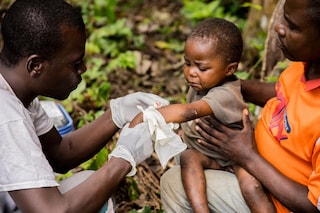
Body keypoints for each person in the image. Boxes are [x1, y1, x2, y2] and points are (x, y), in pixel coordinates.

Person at [0, 0, 170, 212]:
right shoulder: (7, 116)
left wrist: (116, 114)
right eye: (74, 63)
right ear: (36, 66)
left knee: (87, 187)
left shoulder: (17, 92)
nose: (84, 68)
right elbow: (52, 211)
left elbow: (60, 153)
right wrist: (123, 160)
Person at [160, 0, 320, 212]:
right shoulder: (307, 65)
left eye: (292, 26)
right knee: (189, 161)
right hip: (249, 165)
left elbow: (313, 206)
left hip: (276, 200)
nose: (278, 27)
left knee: (175, 183)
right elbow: (283, 92)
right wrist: (226, 89)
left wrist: (247, 156)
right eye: (283, 17)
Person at [130, 18, 274, 213]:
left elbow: (190, 111)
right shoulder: (201, 84)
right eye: (187, 63)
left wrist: (149, 116)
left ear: (230, 69)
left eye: (202, 68)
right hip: (210, 155)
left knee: (251, 187)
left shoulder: (225, 93)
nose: (191, 73)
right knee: (189, 158)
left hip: (236, 158)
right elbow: (192, 119)